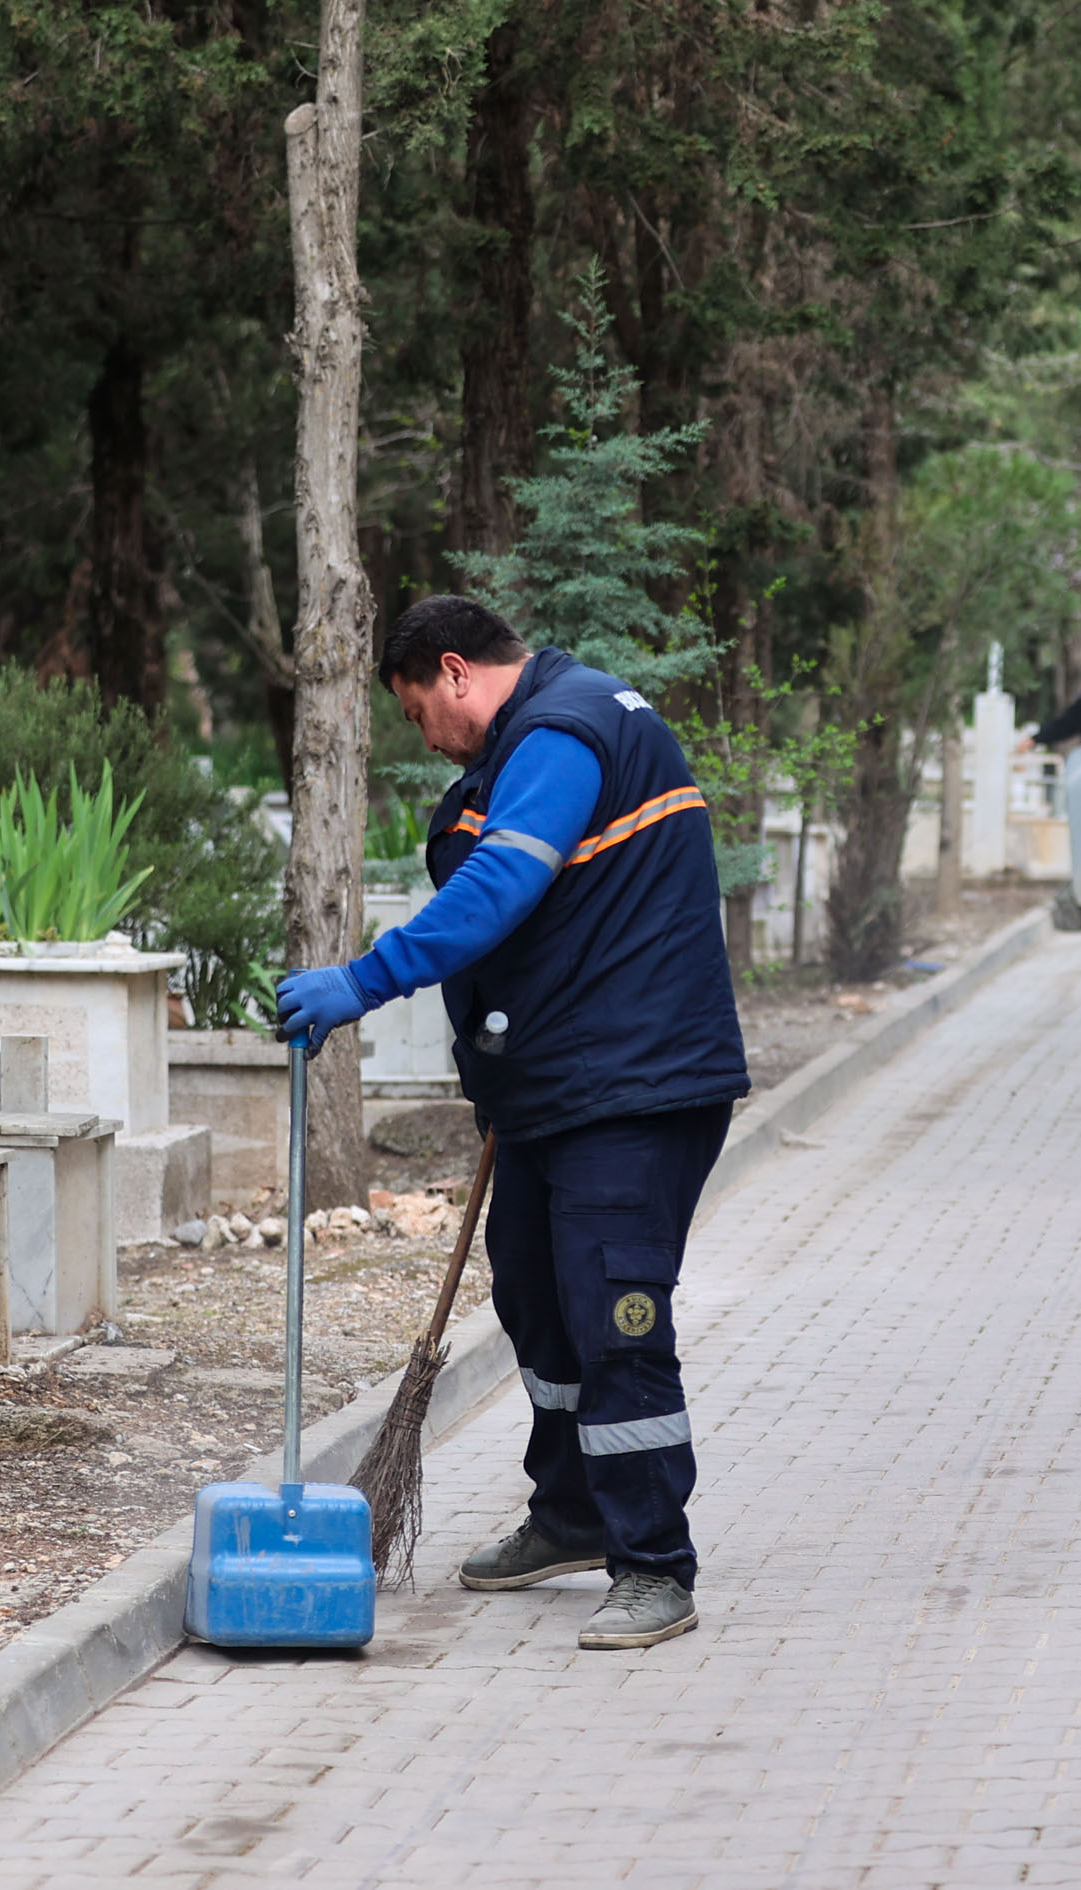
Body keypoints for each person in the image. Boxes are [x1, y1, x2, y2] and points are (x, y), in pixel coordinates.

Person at [274, 596, 748, 1649]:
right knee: (538, 1296)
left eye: (414, 711)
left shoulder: (567, 732)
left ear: (453, 672)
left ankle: (654, 1564)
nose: (424, 735)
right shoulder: (533, 745)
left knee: (614, 1312)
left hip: (637, 1089)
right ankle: (575, 1511)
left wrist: (365, 979)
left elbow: (503, 884)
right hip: (565, 1089)